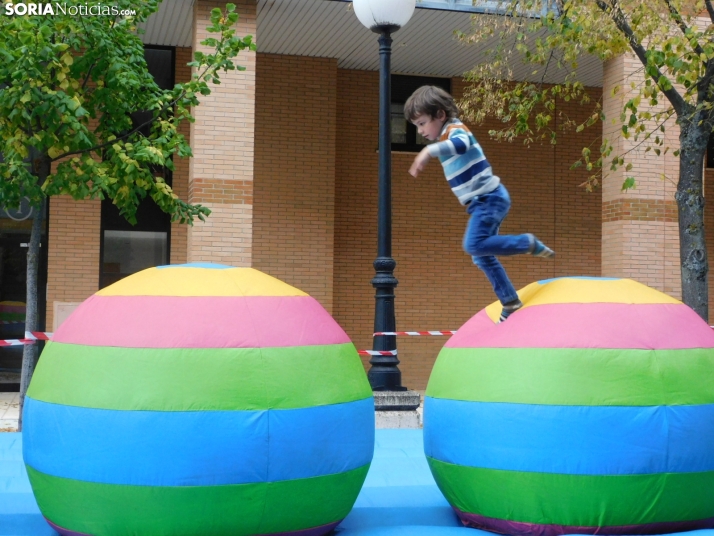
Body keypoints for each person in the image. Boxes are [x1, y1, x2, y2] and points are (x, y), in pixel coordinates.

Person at [405, 85, 554, 322]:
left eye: (422, 123)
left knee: (473, 244)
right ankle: (510, 301)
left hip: (490, 199)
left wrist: (427, 153)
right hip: (483, 203)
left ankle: (526, 242)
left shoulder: (455, 129)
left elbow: (462, 144)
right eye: (416, 126)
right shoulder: (445, 136)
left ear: (440, 115)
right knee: (481, 255)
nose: (420, 130)